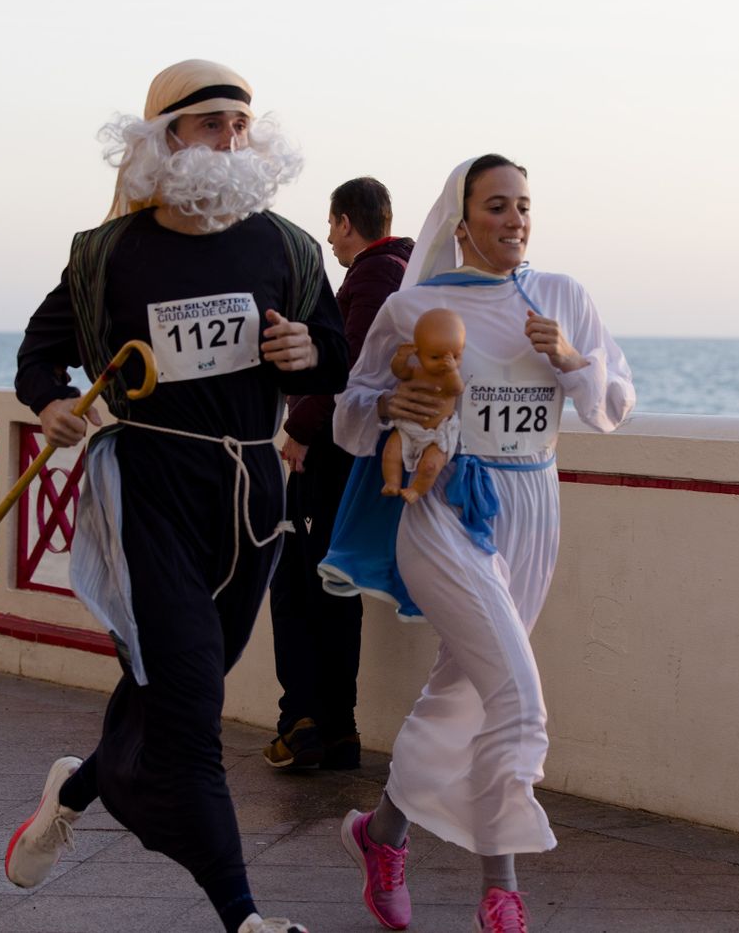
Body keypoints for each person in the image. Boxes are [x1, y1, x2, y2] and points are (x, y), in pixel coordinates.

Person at [6, 59, 346, 933]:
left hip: (252, 501)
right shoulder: (110, 253)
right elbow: (39, 355)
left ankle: (75, 789)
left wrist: (307, 353)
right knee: (192, 705)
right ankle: (244, 916)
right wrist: (49, 404)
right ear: (163, 138)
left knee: (174, 684)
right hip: (151, 486)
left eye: (240, 124)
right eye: (210, 125)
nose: (230, 141)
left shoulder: (287, 246)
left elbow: (339, 355)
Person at [326, 155, 634, 932]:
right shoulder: (414, 305)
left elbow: (614, 407)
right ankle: (503, 891)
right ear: (461, 223)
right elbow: (349, 421)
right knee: (516, 698)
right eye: (497, 207)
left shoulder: (563, 298)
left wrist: (569, 361)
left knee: (463, 689)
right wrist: (393, 398)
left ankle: (382, 836)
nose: (515, 221)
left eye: (524, 207)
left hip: (535, 508)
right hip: (444, 510)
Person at [263, 177, 412, 771]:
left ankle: (302, 723)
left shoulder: (375, 277)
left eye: (331, 225)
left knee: (298, 585)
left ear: (346, 222)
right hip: (364, 454)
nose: (328, 238)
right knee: (332, 587)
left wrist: (299, 426)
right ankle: (337, 729)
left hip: (333, 454)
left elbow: (348, 365)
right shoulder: (405, 271)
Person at [380, 307, 465, 504]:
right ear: (418, 353)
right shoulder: (416, 371)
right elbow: (399, 372)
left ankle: (417, 489)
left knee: (430, 466)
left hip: (438, 434)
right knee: (391, 451)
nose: (446, 362)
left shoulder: (449, 377)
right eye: (435, 357)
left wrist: (452, 371)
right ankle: (392, 482)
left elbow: (456, 388)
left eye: (455, 356)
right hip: (410, 428)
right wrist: (400, 357)